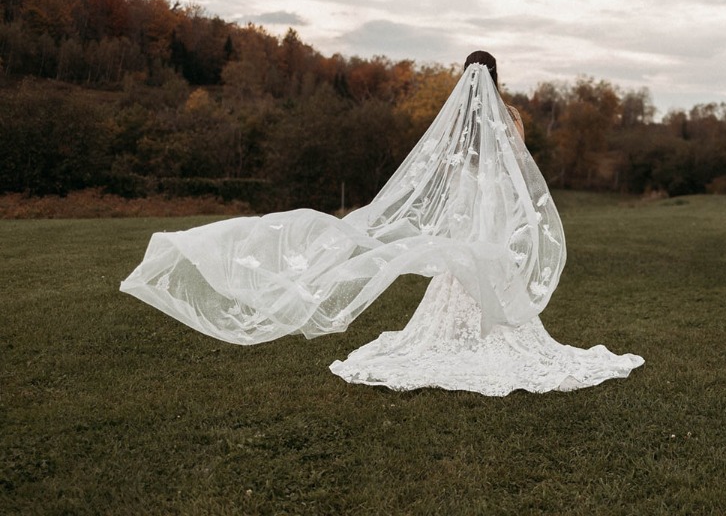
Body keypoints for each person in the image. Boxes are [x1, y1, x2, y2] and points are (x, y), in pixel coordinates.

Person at [121, 51, 642, 395]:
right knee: (487, 263)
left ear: (465, 75)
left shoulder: (459, 118)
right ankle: (490, 330)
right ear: (497, 75)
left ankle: (465, 332)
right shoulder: (513, 117)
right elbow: (515, 165)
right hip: (497, 203)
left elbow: (447, 165)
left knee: (461, 264)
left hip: (471, 199)